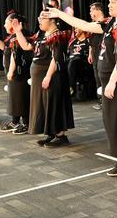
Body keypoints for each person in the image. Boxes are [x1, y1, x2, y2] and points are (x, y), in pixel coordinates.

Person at [44, 0, 117, 180]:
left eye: (113, 1)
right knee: (113, 121)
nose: (109, 4)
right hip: (109, 78)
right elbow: (84, 25)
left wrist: (113, 82)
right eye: (108, 1)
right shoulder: (111, 23)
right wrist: (59, 14)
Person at [15, 11, 74, 147]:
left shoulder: (58, 35)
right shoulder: (41, 35)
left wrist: (48, 76)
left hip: (53, 75)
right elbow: (26, 46)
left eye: (42, 18)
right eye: (39, 17)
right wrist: (18, 32)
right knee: (44, 105)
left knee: (54, 104)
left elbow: (56, 57)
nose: (39, 20)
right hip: (40, 76)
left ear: (52, 20)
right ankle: (51, 133)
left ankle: (60, 135)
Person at [0, 10, 32, 135]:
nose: (5, 25)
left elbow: (15, 54)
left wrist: (11, 71)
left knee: (21, 97)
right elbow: (4, 47)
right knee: (14, 98)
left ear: (13, 23)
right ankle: (15, 121)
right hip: (13, 74)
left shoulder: (20, 35)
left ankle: (26, 123)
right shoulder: (11, 36)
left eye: (6, 23)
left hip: (19, 73)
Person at [87, 2, 107, 110]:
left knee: (102, 76)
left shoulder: (105, 23)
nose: (90, 13)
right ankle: (101, 100)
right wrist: (90, 53)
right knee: (97, 77)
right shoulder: (94, 24)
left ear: (98, 10)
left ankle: (106, 99)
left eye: (92, 10)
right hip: (94, 53)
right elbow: (91, 42)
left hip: (102, 53)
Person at [67, 28, 92, 99]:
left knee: (74, 62)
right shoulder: (73, 41)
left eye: (77, 28)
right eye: (74, 29)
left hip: (83, 63)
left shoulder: (88, 40)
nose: (75, 30)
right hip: (71, 61)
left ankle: (71, 88)